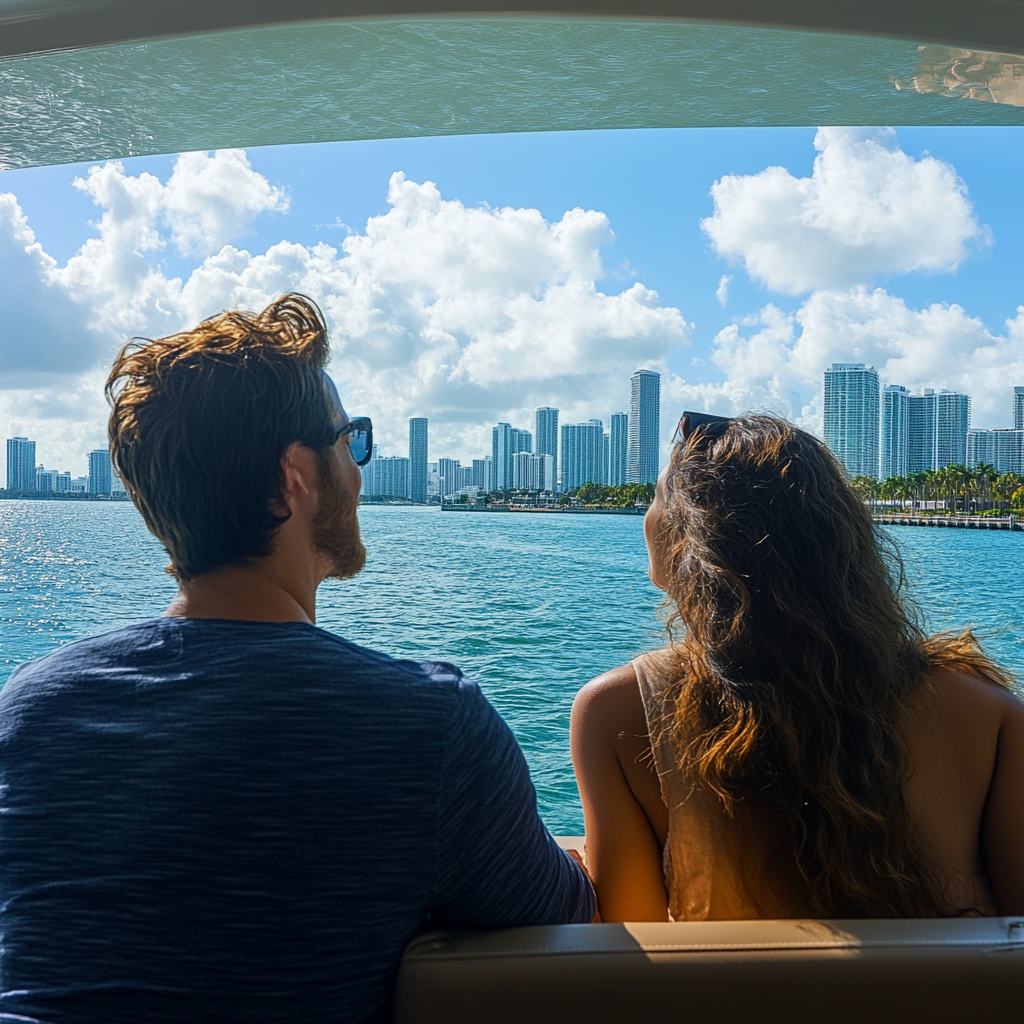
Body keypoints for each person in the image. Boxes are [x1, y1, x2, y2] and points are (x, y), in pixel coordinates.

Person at [0, 294, 593, 1024]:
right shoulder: (429, 729)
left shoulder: (30, 712)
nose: (361, 472)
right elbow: (572, 922)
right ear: (294, 478)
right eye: (350, 442)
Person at [571, 412, 1024, 923]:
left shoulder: (618, 713)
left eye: (656, 498)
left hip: (726, 1006)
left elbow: (631, 944)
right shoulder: (988, 714)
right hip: (941, 1006)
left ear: (687, 540)